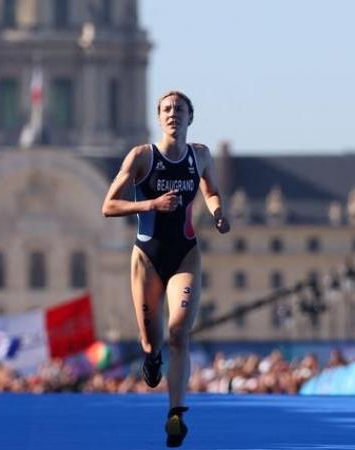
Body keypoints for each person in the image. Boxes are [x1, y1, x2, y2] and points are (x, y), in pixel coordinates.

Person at [102, 90, 230, 447]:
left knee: (178, 332)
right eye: (167, 109)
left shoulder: (200, 156)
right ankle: (150, 355)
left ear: (191, 117)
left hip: (185, 254)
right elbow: (108, 206)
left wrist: (218, 212)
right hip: (146, 256)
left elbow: (212, 190)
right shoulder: (143, 157)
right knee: (151, 338)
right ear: (159, 118)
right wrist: (152, 203)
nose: (173, 114)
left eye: (180, 109)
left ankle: (176, 413)